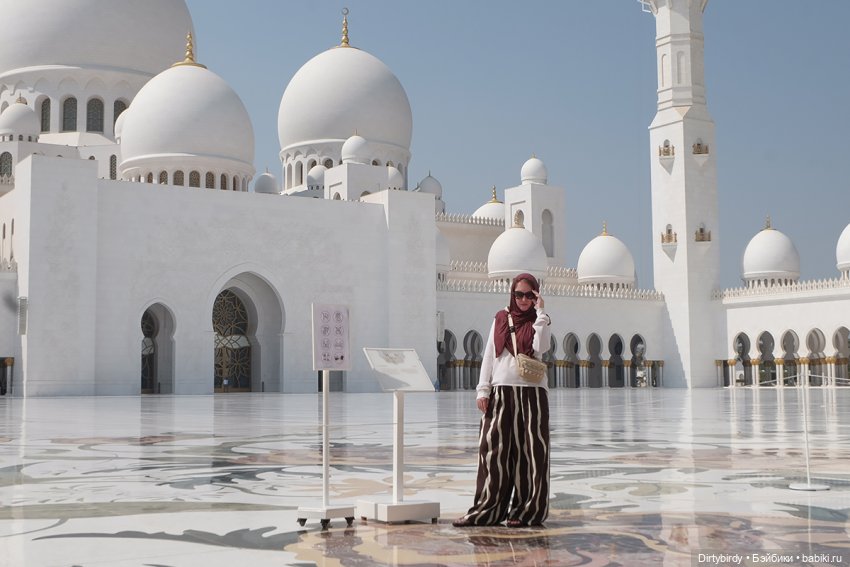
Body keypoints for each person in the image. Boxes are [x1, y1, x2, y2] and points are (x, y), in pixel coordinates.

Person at [453, 272, 551, 527]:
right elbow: (489, 355)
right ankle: (487, 510)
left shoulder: (540, 320)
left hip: (532, 393)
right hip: (501, 391)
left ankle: (526, 511)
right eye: (519, 294)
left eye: (530, 295)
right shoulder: (500, 318)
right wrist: (483, 389)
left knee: (532, 453)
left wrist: (541, 314)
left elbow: (541, 347)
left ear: (536, 296)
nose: (524, 300)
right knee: (493, 452)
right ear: (512, 294)